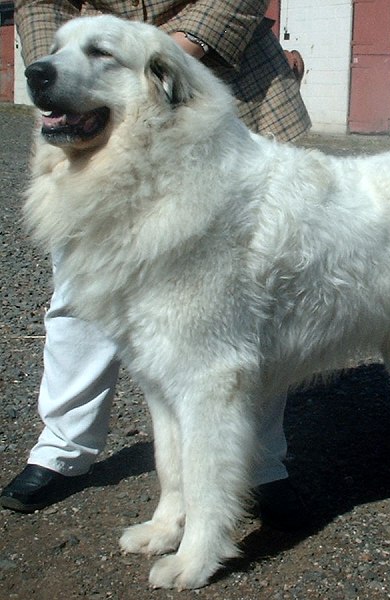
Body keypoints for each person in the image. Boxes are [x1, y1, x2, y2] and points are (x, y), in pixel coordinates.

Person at [1, 0, 311, 531]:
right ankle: (63, 448)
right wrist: (59, 63)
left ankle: (256, 466)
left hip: (220, 85)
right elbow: (37, 3)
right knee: (77, 301)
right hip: (103, 103)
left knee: (243, 308)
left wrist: (174, 49)